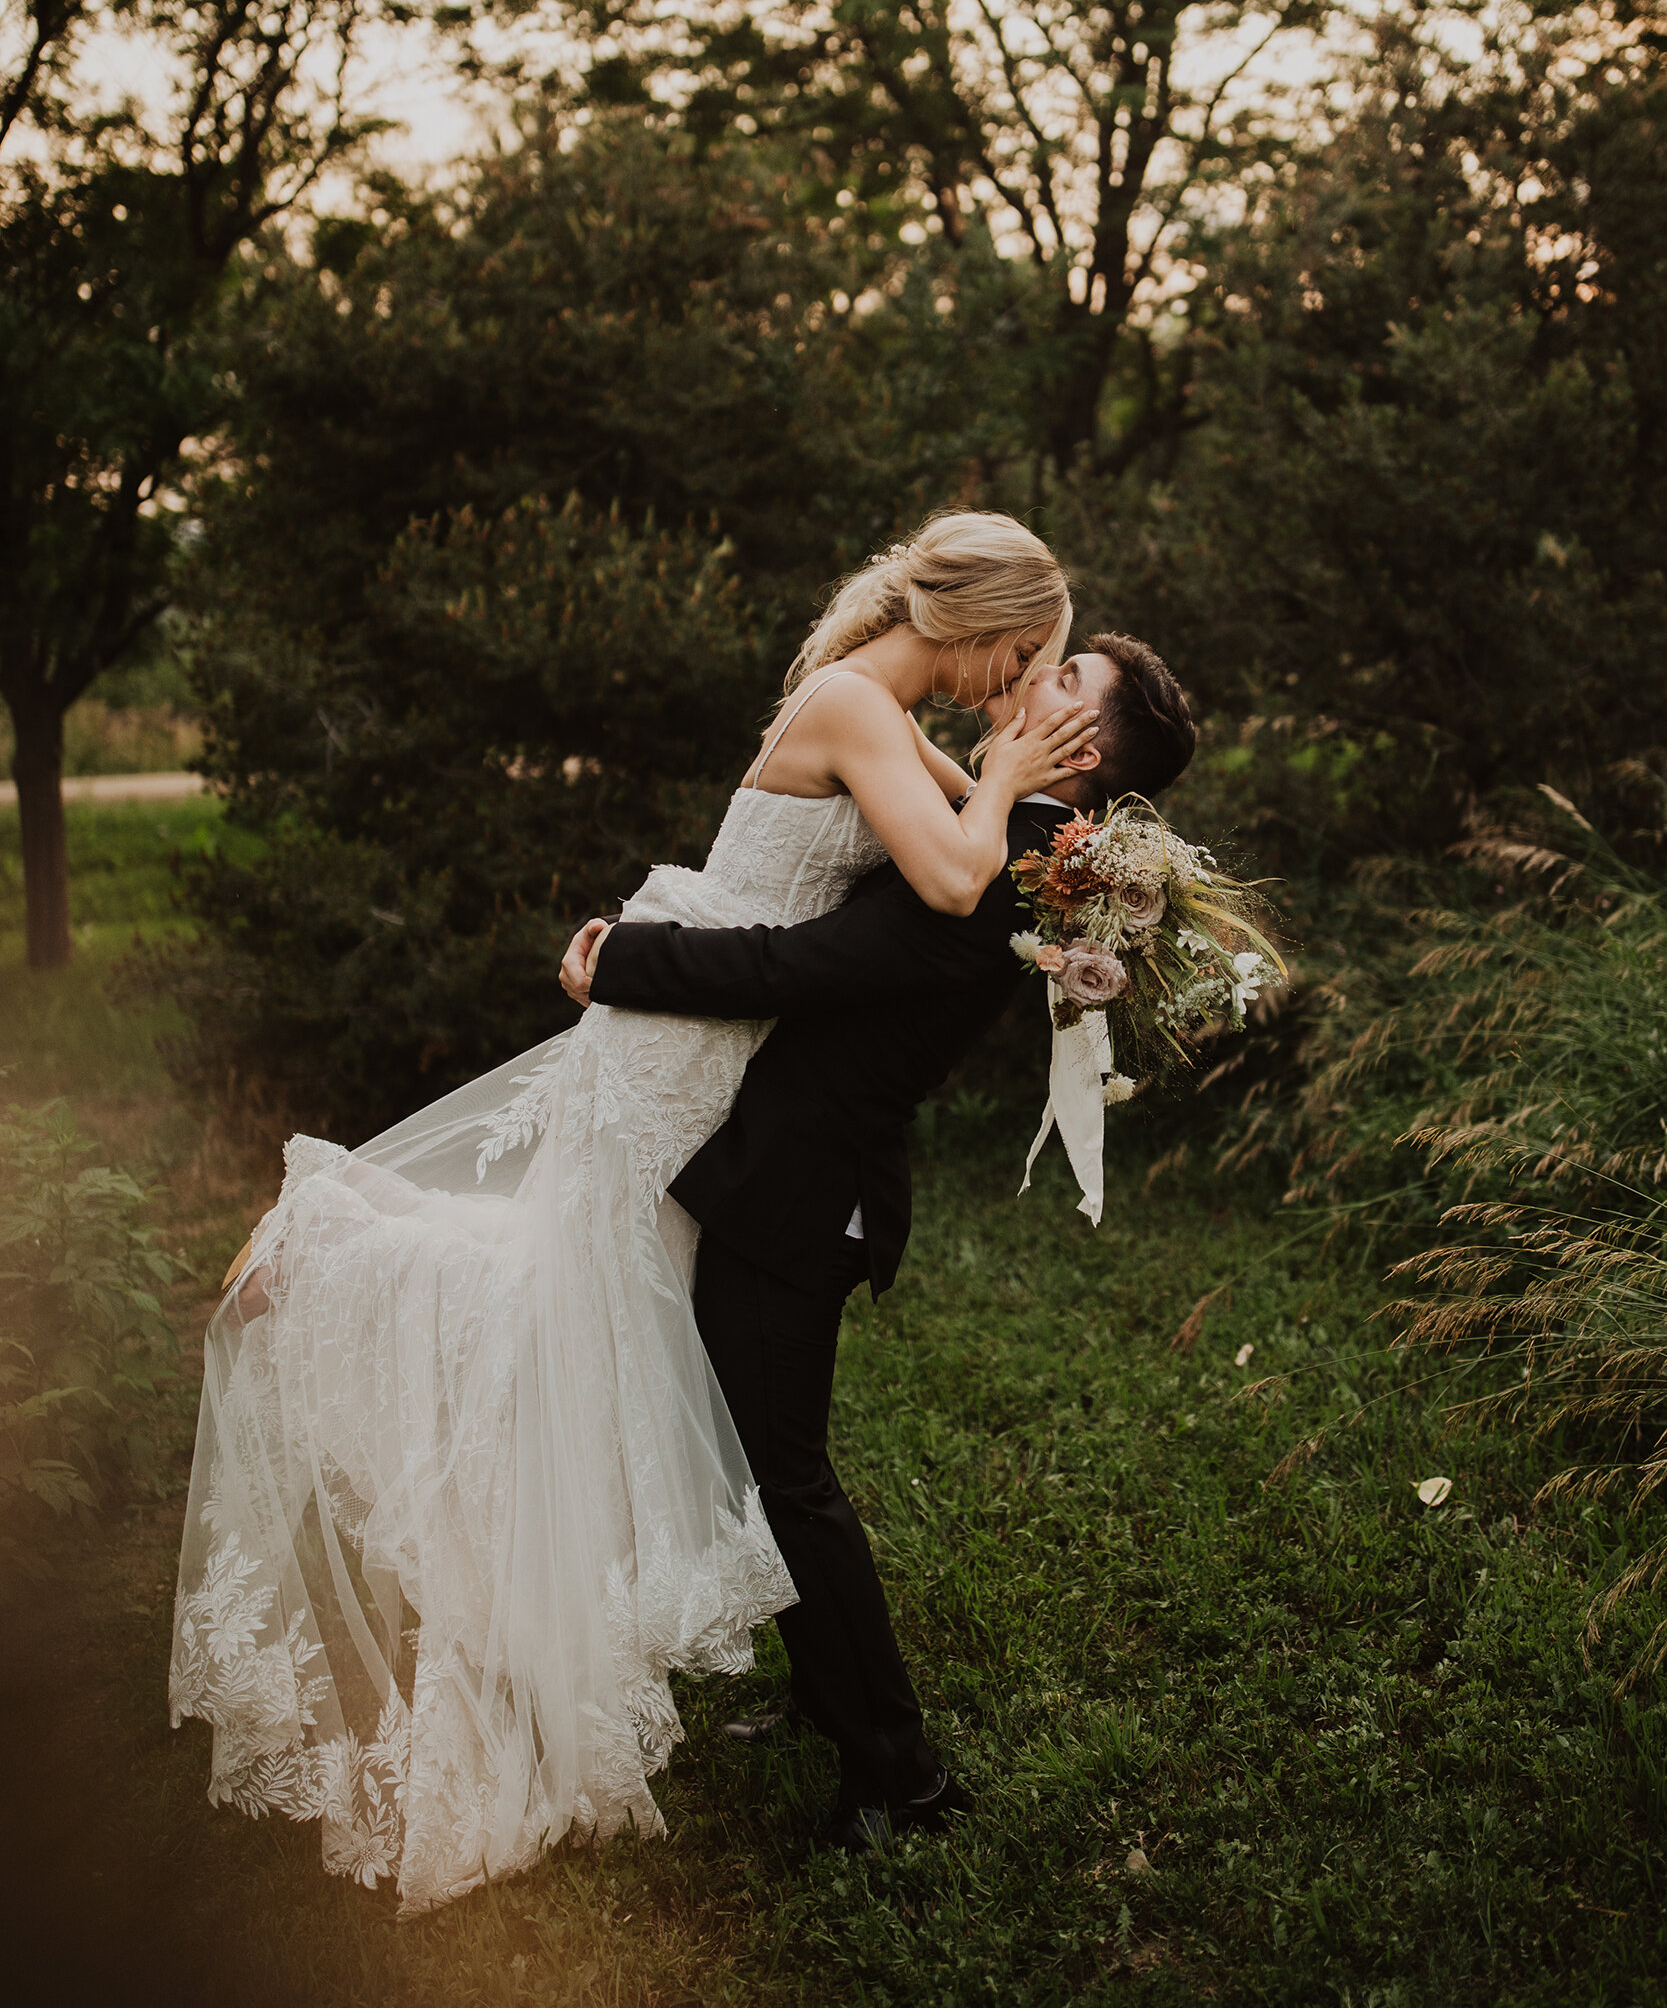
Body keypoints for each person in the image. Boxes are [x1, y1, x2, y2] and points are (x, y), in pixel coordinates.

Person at [170, 510, 1094, 1912]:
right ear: (973, 616)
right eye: (1019, 654)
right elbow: (954, 873)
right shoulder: (853, 699)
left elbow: (961, 868)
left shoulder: (885, 707)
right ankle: (330, 1234)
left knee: (588, 1327)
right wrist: (1009, 775)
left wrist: (1042, 841)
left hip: (711, 1059)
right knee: (565, 1315)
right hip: (675, 1059)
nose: (1011, 684)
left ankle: (365, 1284)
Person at [560, 632, 1196, 1849]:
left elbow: (805, 965)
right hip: (797, 1172)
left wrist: (623, 959)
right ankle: (825, 1697)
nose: (1040, 671)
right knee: (771, 1462)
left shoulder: (1008, 856)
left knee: (786, 1475)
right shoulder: (1007, 832)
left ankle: (901, 1779)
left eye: (1068, 681)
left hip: (805, 1191)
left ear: (1090, 747)